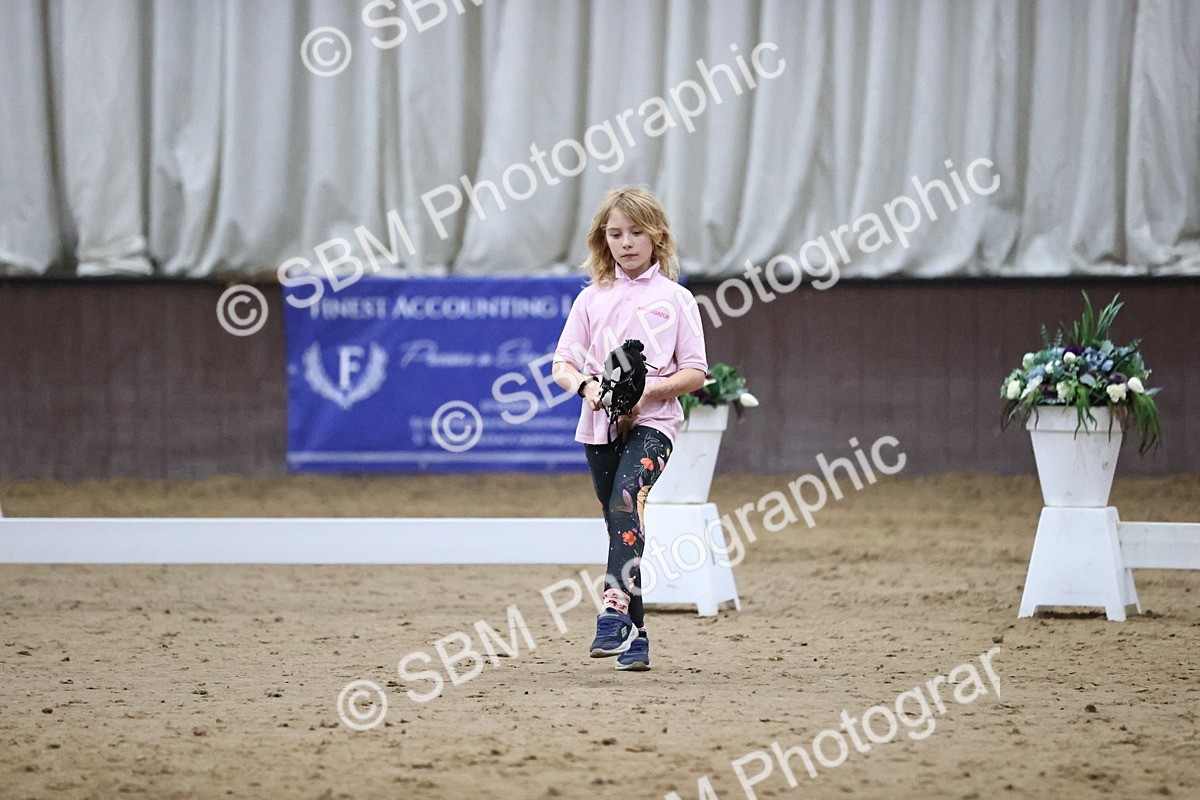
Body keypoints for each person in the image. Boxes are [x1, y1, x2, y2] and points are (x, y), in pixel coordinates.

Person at [552, 187, 708, 671]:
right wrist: (589, 389)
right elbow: (563, 363)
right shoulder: (590, 298)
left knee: (625, 502)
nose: (626, 242)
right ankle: (638, 636)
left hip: (654, 425)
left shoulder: (677, 300)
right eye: (615, 233)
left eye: (636, 232)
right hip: (598, 424)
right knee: (621, 523)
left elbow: (696, 372)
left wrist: (646, 394)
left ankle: (613, 612)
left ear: (657, 236)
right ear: (604, 239)